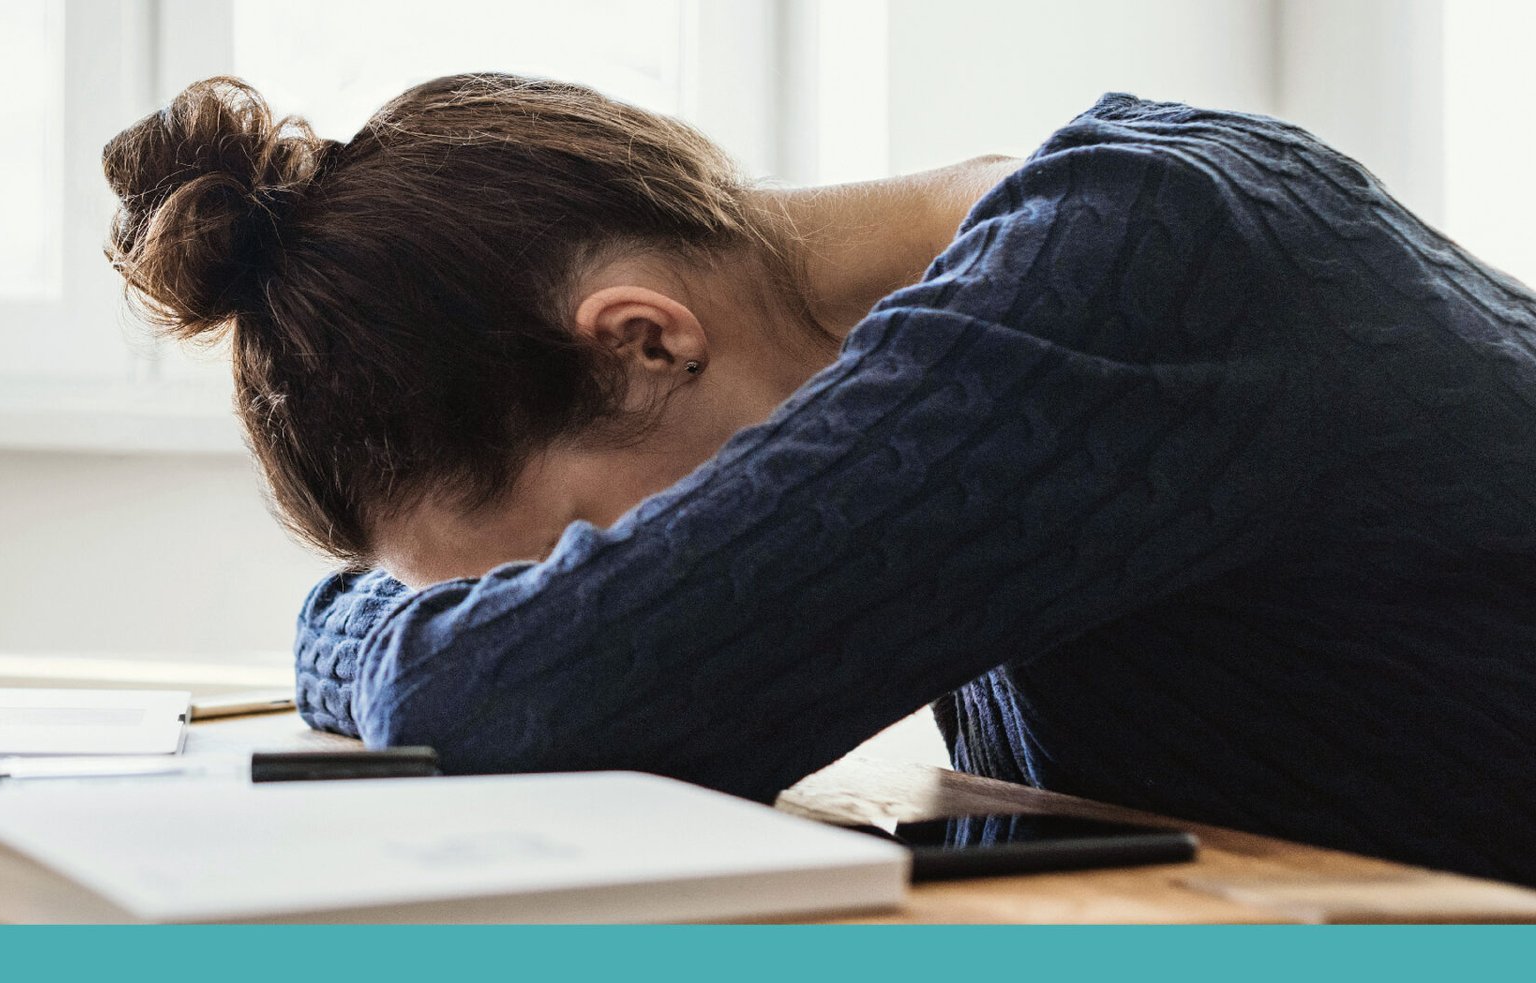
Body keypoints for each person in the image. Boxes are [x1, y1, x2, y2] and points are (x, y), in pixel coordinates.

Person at [102, 74, 1536, 884]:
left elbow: (526, 691)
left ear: (647, 340)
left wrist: (336, 627)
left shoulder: (1126, 274)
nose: (597, 591)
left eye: (571, 558)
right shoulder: (1059, 273)